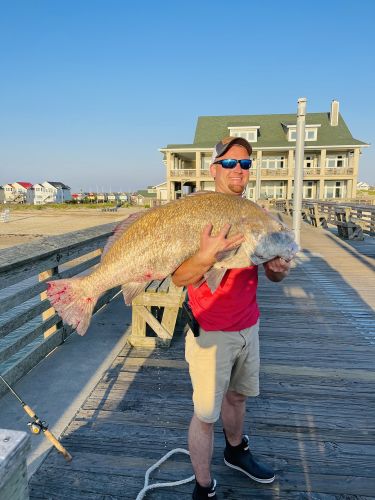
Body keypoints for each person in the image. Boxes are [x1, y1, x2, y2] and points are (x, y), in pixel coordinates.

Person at [172, 136, 291, 499]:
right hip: (210, 331)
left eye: (244, 163)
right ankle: (203, 486)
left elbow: (271, 273)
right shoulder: (197, 213)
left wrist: (277, 269)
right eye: (228, 163)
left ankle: (236, 452)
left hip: (248, 325)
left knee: (238, 398)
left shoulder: (255, 214)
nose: (237, 169)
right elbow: (179, 277)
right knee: (206, 414)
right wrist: (206, 257)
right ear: (213, 170)